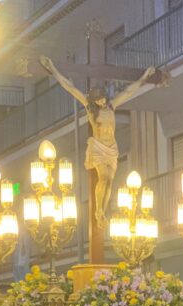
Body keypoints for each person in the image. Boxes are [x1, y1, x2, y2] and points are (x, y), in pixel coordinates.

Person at [40, 55, 155, 228]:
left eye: (103, 98)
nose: (102, 101)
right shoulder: (89, 107)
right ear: (94, 100)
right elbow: (69, 87)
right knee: (104, 177)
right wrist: (53, 69)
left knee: (110, 181)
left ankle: (102, 210)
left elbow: (129, 91)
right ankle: (98, 211)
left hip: (112, 148)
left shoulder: (111, 106)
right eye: (99, 99)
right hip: (98, 147)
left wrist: (144, 77)